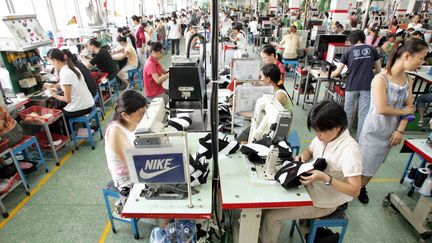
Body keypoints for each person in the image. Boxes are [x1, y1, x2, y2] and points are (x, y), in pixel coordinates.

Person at [259, 101, 362, 243]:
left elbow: (355, 190)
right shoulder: (325, 136)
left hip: (324, 201)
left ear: (338, 127)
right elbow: (310, 150)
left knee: (271, 215)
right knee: (265, 203)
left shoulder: (349, 151)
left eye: (321, 131)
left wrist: (327, 178)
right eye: (316, 131)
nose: (318, 135)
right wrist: (304, 156)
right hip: (309, 189)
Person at [358, 38, 429, 204]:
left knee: (375, 165)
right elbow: (382, 109)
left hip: (391, 133)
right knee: (362, 163)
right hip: (374, 130)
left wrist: (400, 129)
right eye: (420, 58)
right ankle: (352, 189)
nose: (422, 62)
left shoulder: (409, 80)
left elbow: (410, 109)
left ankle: (360, 188)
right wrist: (403, 111)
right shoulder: (380, 80)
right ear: (406, 56)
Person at [331, 30, 381, 139]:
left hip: (352, 85)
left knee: (347, 111)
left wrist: (330, 74)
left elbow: (338, 72)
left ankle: (345, 137)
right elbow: (378, 69)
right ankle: (359, 139)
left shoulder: (349, 52)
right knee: (363, 114)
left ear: (353, 39)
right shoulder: (373, 50)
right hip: (367, 85)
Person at [105, 90, 148, 211]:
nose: (144, 116)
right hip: (126, 178)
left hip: (135, 168)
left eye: (144, 112)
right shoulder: (115, 131)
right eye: (140, 113)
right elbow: (131, 163)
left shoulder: (133, 123)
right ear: (125, 115)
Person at [45, 48, 94, 119]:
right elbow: (68, 83)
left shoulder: (65, 73)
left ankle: (69, 129)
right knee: (60, 108)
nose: (51, 64)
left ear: (55, 61)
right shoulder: (72, 68)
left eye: (51, 62)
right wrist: (53, 85)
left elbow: (67, 99)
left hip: (82, 107)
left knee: (55, 116)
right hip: (88, 103)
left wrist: (54, 95)